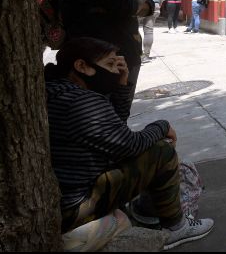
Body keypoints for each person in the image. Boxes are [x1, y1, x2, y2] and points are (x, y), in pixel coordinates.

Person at [44, 37, 214, 249]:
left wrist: (122, 85)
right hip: (76, 204)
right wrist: (161, 126)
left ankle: (147, 212)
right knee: (161, 151)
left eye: (118, 65)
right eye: (109, 65)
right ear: (81, 66)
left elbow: (115, 128)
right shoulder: (81, 102)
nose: (115, 72)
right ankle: (176, 228)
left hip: (64, 194)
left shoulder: (58, 90)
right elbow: (130, 145)